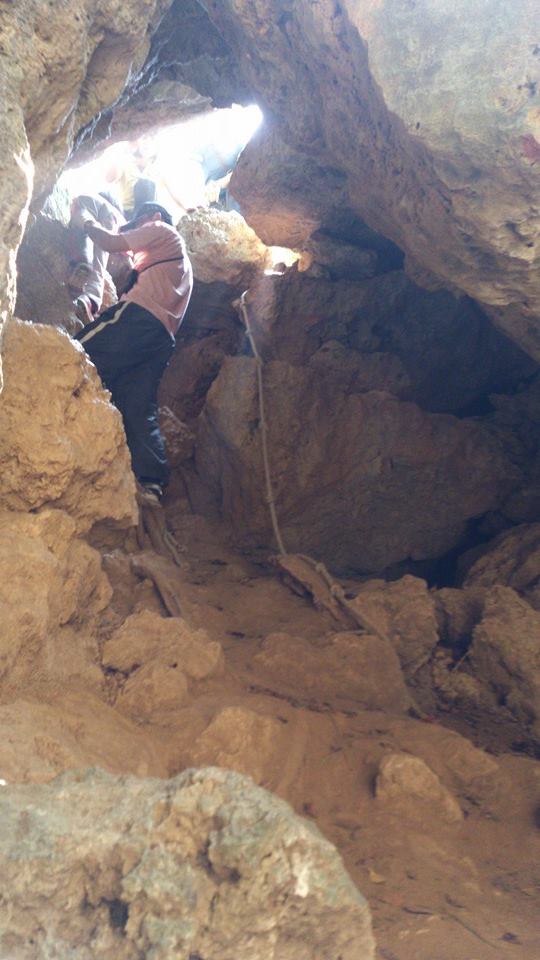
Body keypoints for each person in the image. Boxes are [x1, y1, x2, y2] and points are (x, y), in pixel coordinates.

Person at [73, 201, 193, 504]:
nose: (136, 233)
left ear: (154, 216)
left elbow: (110, 242)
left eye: (137, 224)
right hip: (161, 340)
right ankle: (152, 482)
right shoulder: (179, 266)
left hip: (139, 318)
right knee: (137, 406)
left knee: (73, 351)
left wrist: (87, 221)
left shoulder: (161, 229)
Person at [68, 192, 128, 325]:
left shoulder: (92, 198)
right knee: (100, 259)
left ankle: (81, 263)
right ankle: (91, 298)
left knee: (81, 238)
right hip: (102, 217)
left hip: (80, 207)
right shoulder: (117, 216)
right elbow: (122, 245)